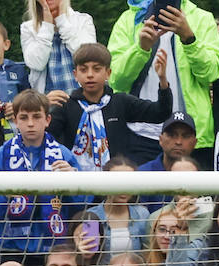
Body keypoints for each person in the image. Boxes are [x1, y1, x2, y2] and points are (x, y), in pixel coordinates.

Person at [107, 0, 219, 165]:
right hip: (140, 134)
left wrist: (188, 38)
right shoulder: (128, 20)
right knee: (141, 190)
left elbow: (210, 74)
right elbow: (116, 80)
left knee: (189, 191)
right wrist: (141, 49)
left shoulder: (202, 19)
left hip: (189, 135)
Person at [0, 89, 85, 266]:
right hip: (8, 247)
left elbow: (83, 204)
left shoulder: (63, 155)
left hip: (53, 247)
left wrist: (73, 181)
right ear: (15, 121)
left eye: (37, 117)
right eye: (24, 117)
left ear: (47, 120)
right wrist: (4, 195)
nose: (30, 123)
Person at [47, 42, 173, 170]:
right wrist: (43, 105)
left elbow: (161, 113)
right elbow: (43, 136)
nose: (90, 74)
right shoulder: (66, 105)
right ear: (75, 74)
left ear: (108, 73)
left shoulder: (120, 102)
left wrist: (162, 80)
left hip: (115, 178)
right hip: (75, 177)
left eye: (97, 69)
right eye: (83, 70)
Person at [23, 0, 98, 97]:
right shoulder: (28, 28)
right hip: (48, 100)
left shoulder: (83, 20)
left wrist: (62, 19)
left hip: (84, 98)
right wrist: (47, 26)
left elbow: (88, 56)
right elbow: (37, 64)